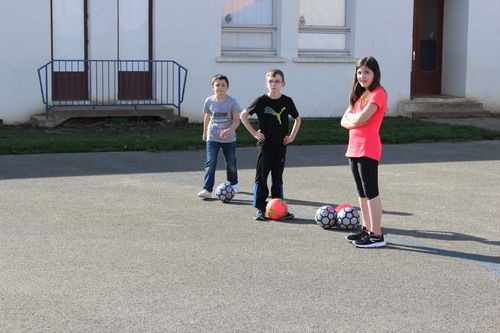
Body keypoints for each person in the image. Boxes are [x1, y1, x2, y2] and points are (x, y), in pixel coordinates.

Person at [240, 69, 302, 220]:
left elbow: (298, 119)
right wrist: (254, 133)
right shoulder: (261, 101)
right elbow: (243, 116)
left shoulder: (287, 101)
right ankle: (260, 209)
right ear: (266, 83)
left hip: (280, 146)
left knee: (277, 178)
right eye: (271, 81)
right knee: (262, 177)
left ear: (283, 84)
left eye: (277, 81)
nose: (274, 84)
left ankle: (280, 208)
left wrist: (292, 136)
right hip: (265, 147)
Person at [340, 56, 387, 248]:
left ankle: (377, 235)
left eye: (367, 72)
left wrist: (355, 119)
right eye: (359, 72)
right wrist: (355, 119)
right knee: (361, 193)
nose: (362, 76)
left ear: (375, 74)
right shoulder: (361, 95)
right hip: (354, 148)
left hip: (368, 148)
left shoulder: (378, 94)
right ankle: (366, 229)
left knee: (371, 192)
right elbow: (344, 121)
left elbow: (361, 119)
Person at [198, 74, 241, 199]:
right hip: (213, 138)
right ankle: (207, 189)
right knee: (210, 162)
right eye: (217, 85)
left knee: (231, 162)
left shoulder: (232, 102)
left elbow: (237, 121)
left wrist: (229, 130)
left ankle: (233, 183)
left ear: (228, 87)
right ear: (212, 87)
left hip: (229, 138)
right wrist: (205, 132)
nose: (220, 87)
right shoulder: (209, 101)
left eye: (223, 85)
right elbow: (207, 117)